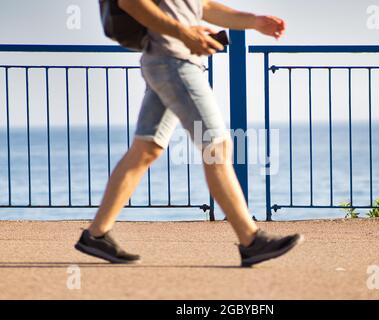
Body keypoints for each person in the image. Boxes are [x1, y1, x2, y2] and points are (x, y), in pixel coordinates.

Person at [75, 0, 299, 267]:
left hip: (171, 60)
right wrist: (185, 33)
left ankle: (96, 234)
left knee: (146, 149)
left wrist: (253, 21)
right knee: (217, 147)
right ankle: (251, 240)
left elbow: (201, 5)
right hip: (173, 61)